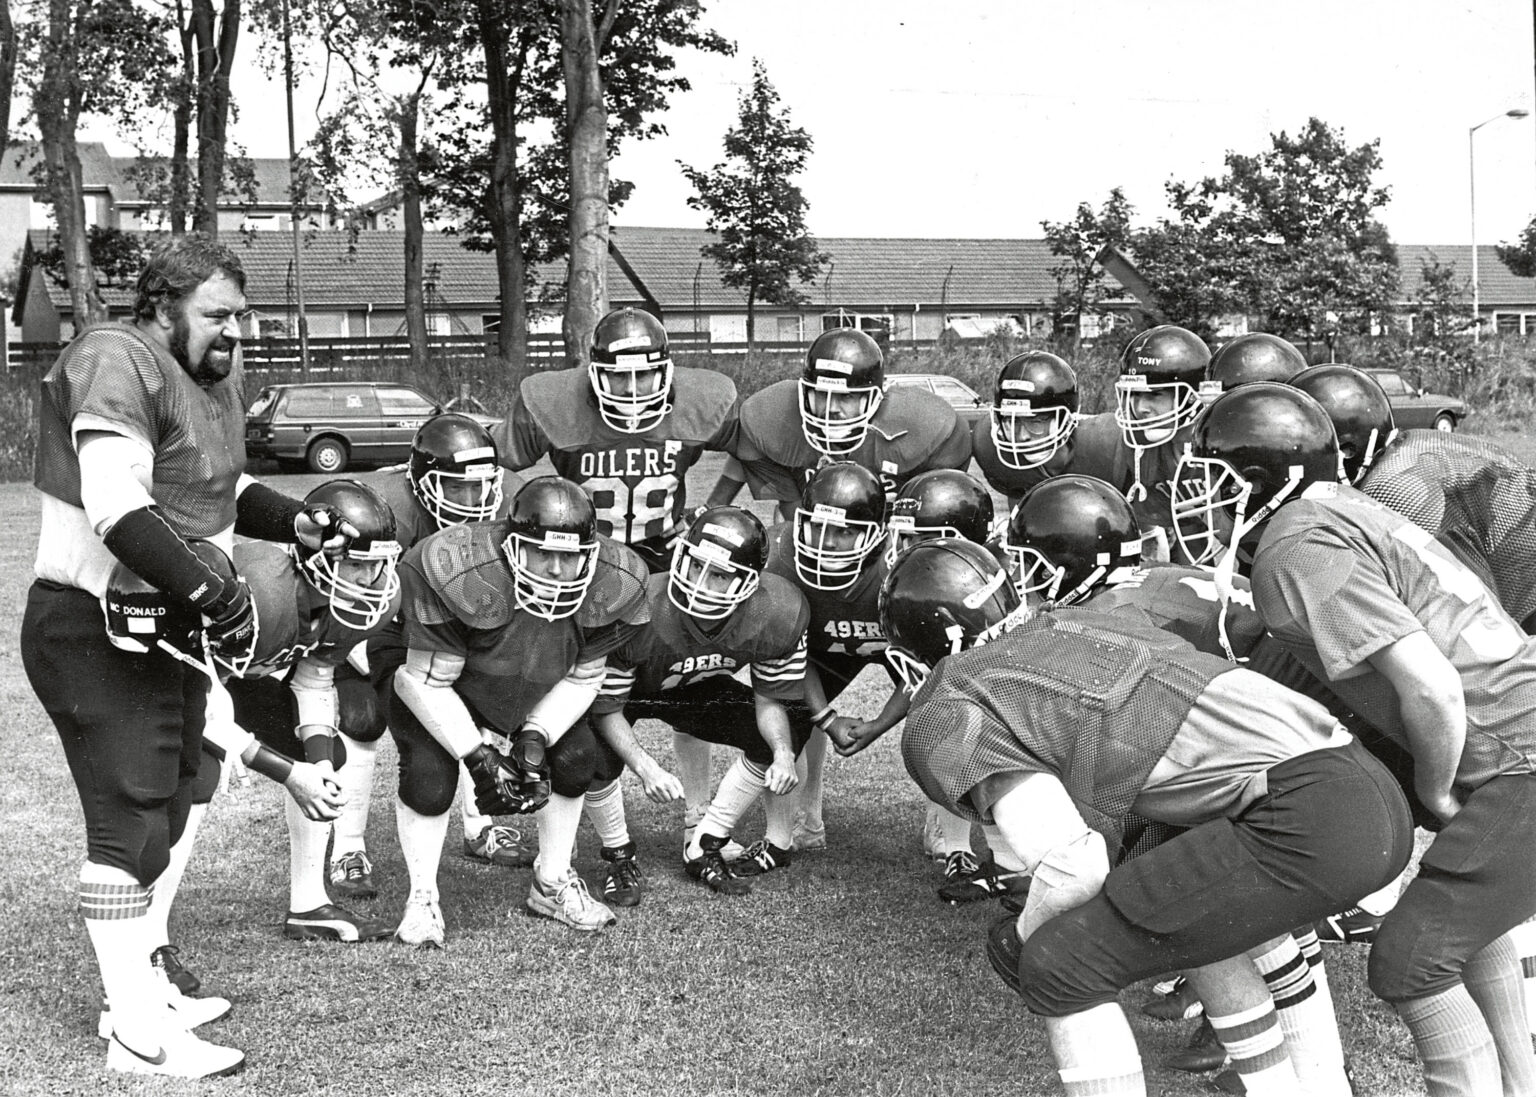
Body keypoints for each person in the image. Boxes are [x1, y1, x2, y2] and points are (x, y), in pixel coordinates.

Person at [883, 539, 1412, 1097]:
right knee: (1197, 926)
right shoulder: (1081, 622)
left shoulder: (953, 696)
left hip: (1305, 813)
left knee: (1059, 961)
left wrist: (1020, 936)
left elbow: (1072, 862)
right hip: (1358, 785)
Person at [20, 232, 351, 1077]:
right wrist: (215, 592)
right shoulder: (115, 357)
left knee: (176, 799)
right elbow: (115, 500)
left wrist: (294, 518)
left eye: (243, 314)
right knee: (127, 819)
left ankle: (133, 986)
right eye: (217, 314)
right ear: (162, 308)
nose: (236, 331)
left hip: (160, 626)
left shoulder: (212, 379)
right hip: (92, 620)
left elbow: (219, 482)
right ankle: (135, 1033)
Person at [1176, 381, 1536, 1096]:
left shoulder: (1294, 545)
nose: (1200, 500)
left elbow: (1430, 685)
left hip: (1516, 756)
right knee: (1469, 924)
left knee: (1410, 959)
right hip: (1517, 735)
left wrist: (1433, 782)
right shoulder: (1344, 506)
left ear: (1258, 478)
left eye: (1212, 481)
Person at [492, 307, 743, 855]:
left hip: (662, 561)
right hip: (584, 570)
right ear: (592, 373)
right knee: (574, 695)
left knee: (687, 685)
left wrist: (716, 507)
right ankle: (599, 836)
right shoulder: (554, 402)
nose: (632, 390)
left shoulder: (703, 401)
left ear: (668, 373)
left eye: (645, 375)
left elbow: (756, 449)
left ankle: (694, 817)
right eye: (618, 376)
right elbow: (498, 459)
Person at [376, 475, 650, 943]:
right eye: (546, 554)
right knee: (430, 776)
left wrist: (535, 735)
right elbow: (425, 681)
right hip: (441, 685)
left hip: (535, 684)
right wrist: (477, 754)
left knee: (576, 756)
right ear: (512, 547)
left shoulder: (615, 581)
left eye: (571, 557)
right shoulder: (459, 571)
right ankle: (422, 896)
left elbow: (584, 677)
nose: (560, 570)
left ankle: (552, 881)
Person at [328, 413, 521, 904]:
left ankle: (480, 826)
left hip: (444, 629)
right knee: (364, 718)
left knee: (477, 700)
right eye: (459, 488)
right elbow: (341, 593)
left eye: (482, 487)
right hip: (369, 628)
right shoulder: (383, 509)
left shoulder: (498, 510)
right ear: (422, 481)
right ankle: (347, 847)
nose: (475, 501)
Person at [586, 506, 812, 895]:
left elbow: (771, 699)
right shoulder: (638, 604)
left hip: (693, 688)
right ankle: (619, 856)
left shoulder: (778, 612)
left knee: (792, 727)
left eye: (720, 575)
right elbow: (606, 706)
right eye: (695, 566)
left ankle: (706, 843)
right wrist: (646, 767)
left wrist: (782, 751)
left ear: (750, 584)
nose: (700, 583)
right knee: (585, 757)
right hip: (629, 694)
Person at [214, 480, 402, 945]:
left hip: (236, 679)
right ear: (315, 555)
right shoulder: (260, 590)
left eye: (380, 566)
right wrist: (277, 767)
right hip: (175, 683)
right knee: (190, 777)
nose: (372, 583)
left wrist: (313, 765)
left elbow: (314, 677)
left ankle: (309, 904)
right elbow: (192, 696)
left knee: (325, 757)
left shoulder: (364, 601)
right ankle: (147, 941)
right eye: (358, 566)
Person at [709, 327, 972, 520]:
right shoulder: (776, 419)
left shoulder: (924, 425)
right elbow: (747, 449)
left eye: (845, 397)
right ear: (805, 393)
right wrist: (711, 506)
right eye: (821, 395)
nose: (831, 409)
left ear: (874, 399)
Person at [1061, 324, 1210, 554]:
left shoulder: (1228, 443)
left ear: (1193, 395)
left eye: (1154, 394)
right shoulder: (1115, 442)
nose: (1140, 408)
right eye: (1135, 394)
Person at [969, 351, 1079, 509]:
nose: (1021, 436)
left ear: (1065, 418)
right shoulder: (987, 446)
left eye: (1035, 421)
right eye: (1011, 421)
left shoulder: (1101, 451)